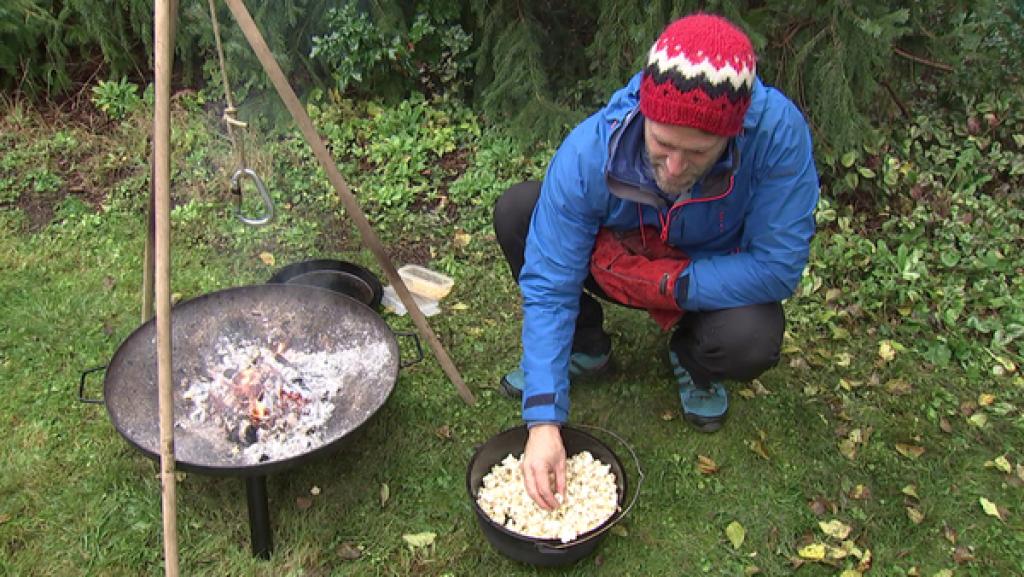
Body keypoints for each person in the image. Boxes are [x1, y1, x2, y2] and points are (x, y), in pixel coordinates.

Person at [492, 13, 820, 510]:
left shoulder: (777, 135)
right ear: (646, 111)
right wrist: (542, 420)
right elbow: (550, 281)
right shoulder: (591, 149)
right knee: (521, 212)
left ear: (731, 136)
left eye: (697, 154)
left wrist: (672, 284)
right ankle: (585, 347)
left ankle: (693, 357)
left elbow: (777, 266)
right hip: (620, 257)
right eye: (662, 144)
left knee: (751, 338)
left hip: (706, 268)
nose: (673, 167)